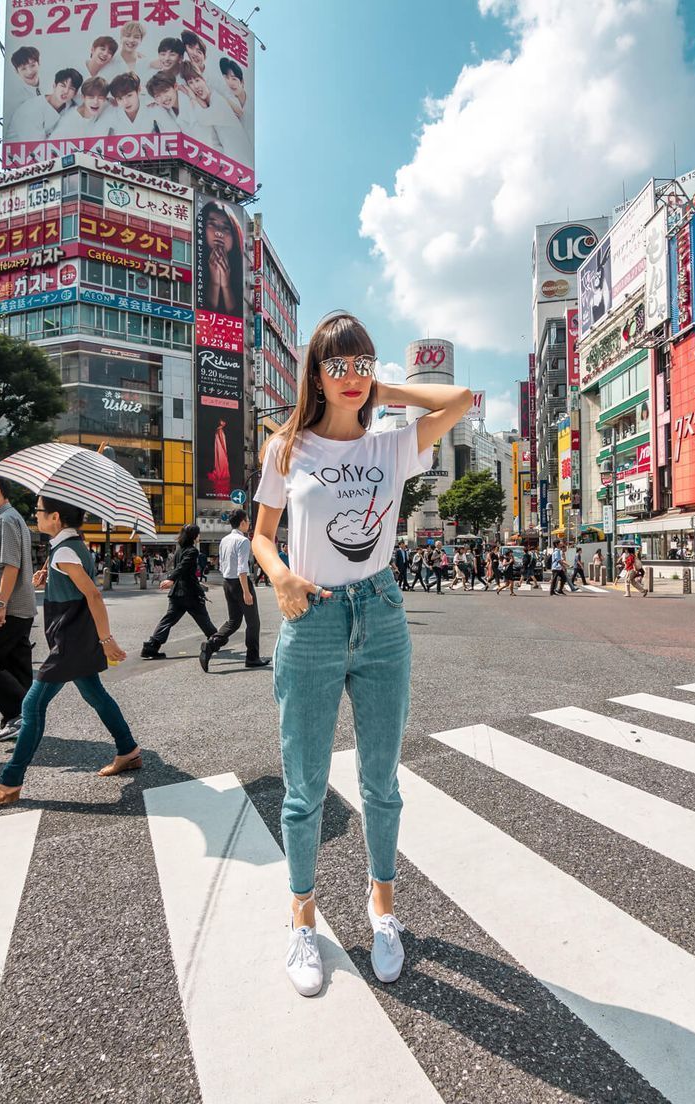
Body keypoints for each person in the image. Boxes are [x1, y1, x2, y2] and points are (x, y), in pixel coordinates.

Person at [251, 311, 472, 997]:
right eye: (337, 365)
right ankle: (303, 919)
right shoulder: (287, 448)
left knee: (382, 782)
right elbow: (260, 535)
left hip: (380, 616)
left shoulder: (392, 446)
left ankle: (383, 910)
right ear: (314, 373)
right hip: (312, 618)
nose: (350, 376)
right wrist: (280, 574)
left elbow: (460, 402)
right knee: (305, 786)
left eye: (361, 364)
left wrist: (387, 392)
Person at [0, 497, 140, 812]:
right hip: (74, 639)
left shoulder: (65, 551)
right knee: (95, 694)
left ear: (55, 517)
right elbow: (76, 586)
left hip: (69, 642)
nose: (35, 515)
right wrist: (47, 577)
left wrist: (107, 639)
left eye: (39, 510)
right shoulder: (67, 548)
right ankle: (128, 750)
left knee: (32, 705)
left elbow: (93, 594)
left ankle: (9, 782)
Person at [0, 475, 36, 744]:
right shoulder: (6, 520)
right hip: (19, 607)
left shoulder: (5, 520)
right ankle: (18, 723)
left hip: (10, 608)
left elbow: (11, 566)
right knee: (15, 667)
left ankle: (18, 714)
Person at [199, 510, 270, 672]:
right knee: (253, 622)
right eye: (248, 520)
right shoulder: (243, 541)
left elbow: (222, 564)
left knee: (234, 621)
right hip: (240, 583)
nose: (249, 523)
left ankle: (210, 645)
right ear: (242, 522)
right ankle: (252, 658)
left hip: (227, 582)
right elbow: (242, 568)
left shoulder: (224, 540)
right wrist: (246, 591)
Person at [140, 524, 218, 658]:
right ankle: (216, 641)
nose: (199, 536)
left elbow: (179, 567)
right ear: (194, 536)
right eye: (198, 534)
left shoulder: (179, 549)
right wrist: (170, 579)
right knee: (203, 619)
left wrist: (172, 579)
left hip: (177, 593)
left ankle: (151, 647)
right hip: (191, 593)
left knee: (168, 620)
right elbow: (183, 567)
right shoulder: (192, 551)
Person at [7, 68, 83, 143]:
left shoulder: (70, 107)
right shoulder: (32, 109)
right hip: (16, 151)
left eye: (71, 88)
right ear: (54, 86)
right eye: (62, 86)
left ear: (75, 93)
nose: (66, 91)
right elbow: (35, 147)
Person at [197, 201, 243, 316]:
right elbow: (203, 316)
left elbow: (235, 316)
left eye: (226, 228)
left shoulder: (241, 272)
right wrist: (215, 283)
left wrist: (225, 285)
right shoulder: (194, 260)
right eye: (212, 224)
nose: (219, 233)